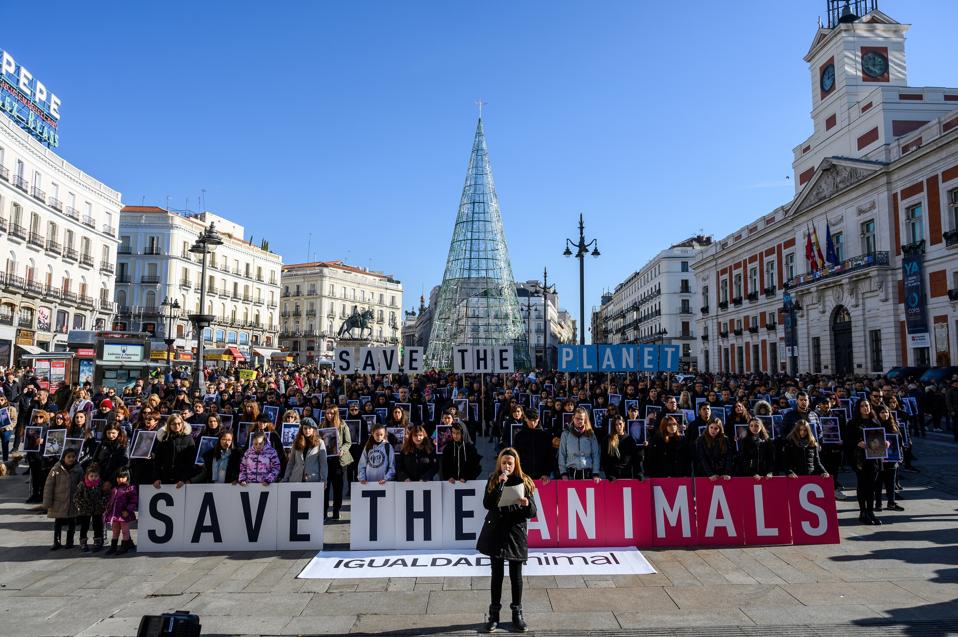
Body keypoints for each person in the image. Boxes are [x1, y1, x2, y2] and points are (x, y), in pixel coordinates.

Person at [476, 448, 536, 633]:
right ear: (499, 464)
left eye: (510, 463)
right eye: (504, 463)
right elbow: (487, 503)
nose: (507, 466)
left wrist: (526, 504)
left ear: (515, 464)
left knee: (516, 575)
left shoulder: (524, 481)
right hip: (496, 531)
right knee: (497, 574)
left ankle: (517, 614)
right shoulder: (494, 479)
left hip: (515, 532)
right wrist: (499, 486)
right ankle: (494, 615)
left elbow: (533, 512)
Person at [846, 398, 884, 525]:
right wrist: (857, 443)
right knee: (862, 485)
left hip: (874, 458)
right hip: (860, 459)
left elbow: (880, 437)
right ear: (858, 408)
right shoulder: (853, 423)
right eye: (862, 406)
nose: (865, 408)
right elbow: (847, 441)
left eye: (867, 405)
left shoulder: (875, 421)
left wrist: (885, 443)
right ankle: (863, 512)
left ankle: (870, 511)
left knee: (872, 486)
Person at [43, 448, 83, 550]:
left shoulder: (78, 470)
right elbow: (49, 486)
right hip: (58, 501)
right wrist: (47, 502)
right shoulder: (56, 469)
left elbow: (82, 485)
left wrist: (81, 500)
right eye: (68, 457)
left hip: (72, 501)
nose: (71, 459)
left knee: (72, 522)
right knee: (58, 522)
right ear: (63, 457)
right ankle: (57, 542)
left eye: (73, 457)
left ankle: (70, 541)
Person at [319, 406, 350, 520]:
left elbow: (348, 442)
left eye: (332, 413)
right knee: (325, 488)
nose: (329, 415)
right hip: (325, 461)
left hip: (338, 461)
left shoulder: (342, 424)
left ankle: (336, 511)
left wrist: (343, 450)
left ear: (336, 413)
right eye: (327, 413)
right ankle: (324, 512)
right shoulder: (322, 425)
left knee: (338, 488)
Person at [557, 407, 601, 482]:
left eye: (582, 419)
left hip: (588, 474)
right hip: (571, 475)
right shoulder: (566, 434)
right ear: (573, 418)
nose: (579, 421)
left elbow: (595, 454)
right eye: (577, 418)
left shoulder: (590, 434)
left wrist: (595, 473)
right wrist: (563, 473)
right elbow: (562, 454)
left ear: (585, 420)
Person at [152, 414, 196, 488]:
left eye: (179, 423)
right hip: (165, 478)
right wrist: (157, 478)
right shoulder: (164, 439)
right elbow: (158, 461)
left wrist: (184, 479)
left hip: (181, 480)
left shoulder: (188, 438)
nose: (177, 426)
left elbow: (190, 462)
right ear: (169, 425)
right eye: (174, 424)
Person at [875, 404, 904, 512]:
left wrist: (900, 456)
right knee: (878, 482)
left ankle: (891, 502)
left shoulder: (893, 425)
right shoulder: (875, 425)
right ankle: (878, 504)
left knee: (891, 483)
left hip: (892, 459)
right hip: (879, 459)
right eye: (882, 412)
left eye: (886, 412)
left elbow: (899, 442)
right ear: (878, 414)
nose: (885, 414)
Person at [512, 409, 555, 482]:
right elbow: (516, 456)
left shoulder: (546, 435)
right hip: (524, 475)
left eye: (535, 420)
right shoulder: (519, 436)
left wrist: (546, 473)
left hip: (542, 476)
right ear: (525, 419)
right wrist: (519, 473)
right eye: (530, 420)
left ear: (538, 419)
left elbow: (550, 456)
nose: (532, 423)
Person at [74, 463, 108, 552]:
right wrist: (80, 505)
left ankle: (98, 541)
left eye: (96, 476)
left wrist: (103, 503)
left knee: (98, 525)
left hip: (98, 509)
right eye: (91, 476)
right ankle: (83, 542)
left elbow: (105, 495)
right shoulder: (82, 484)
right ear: (87, 476)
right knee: (84, 526)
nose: (93, 478)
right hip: (85, 510)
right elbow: (77, 497)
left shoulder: (101, 484)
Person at [103, 467, 138, 555]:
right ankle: (113, 546)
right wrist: (107, 509)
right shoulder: (115, 489)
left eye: (123, 477)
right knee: (115, 531)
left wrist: (127, 510)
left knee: (125, 531)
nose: (120, 479)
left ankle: (125, 546)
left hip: (124, 514)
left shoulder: (130, 489)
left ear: (127, 477)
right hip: (115, 514)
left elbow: (133, 501)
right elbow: (111, 501)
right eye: (118, 477)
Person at [282, 419, 328, 484]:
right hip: (296, 479)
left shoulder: (320, 443)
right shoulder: (296, 442)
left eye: (310, 428)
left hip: (313, 479)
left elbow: (323, 463)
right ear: (302, 429)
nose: (307, 430)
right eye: (305, 428)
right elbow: (291, 462)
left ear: (313, 429)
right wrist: (286, 479)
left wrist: (324, 480)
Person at [602, 415, 644, 480]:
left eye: (620, 424)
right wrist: (609, 474)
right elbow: (604, 459)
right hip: (612, 477)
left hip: (626, 475)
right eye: (616, 425)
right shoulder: (607, 440)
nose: (618, 426)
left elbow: (636, 459)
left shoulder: (629, 439)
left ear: (624, 424)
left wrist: (639, 473)